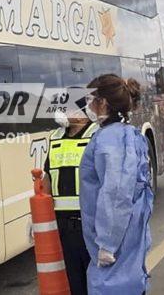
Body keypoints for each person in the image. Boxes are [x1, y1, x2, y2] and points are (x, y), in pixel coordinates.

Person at [79, 74, 153, 294]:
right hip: (129, 232)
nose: (88, 106)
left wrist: (107, 244)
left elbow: (116, 193)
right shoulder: (127, 134)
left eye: (92, 99)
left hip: (114, 240)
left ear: (104, 103)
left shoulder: (109, 141)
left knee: (111, 285)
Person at [42, 107, 98, 295]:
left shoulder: (95, 135)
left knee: (97, 281)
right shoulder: (56, 137)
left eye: (67, 108)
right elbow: (48, 176)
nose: (61, 113)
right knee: (75, 282)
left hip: (91, 225)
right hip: (64, 226)